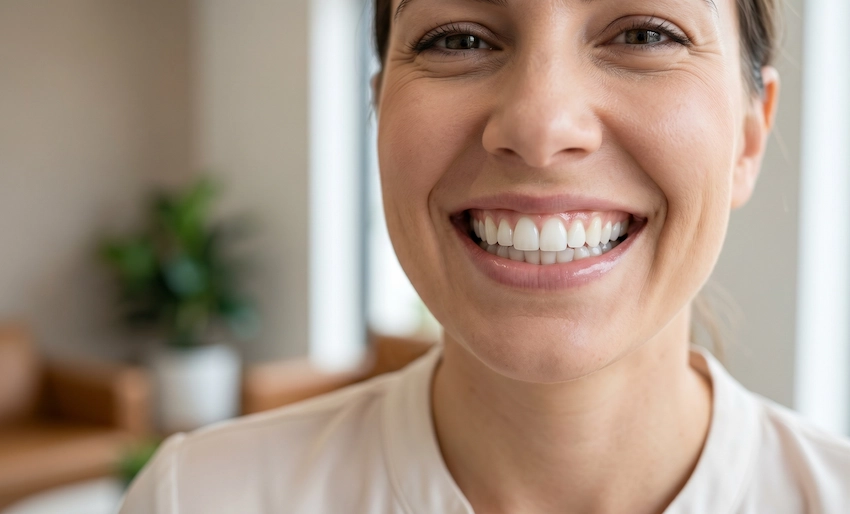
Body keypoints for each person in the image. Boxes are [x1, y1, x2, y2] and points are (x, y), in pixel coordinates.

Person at [119, 0, 850, 512]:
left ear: (749, 139)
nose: (539, 124)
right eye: (458, 39)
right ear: (379, 111)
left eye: (646, 33)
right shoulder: (199, 499)